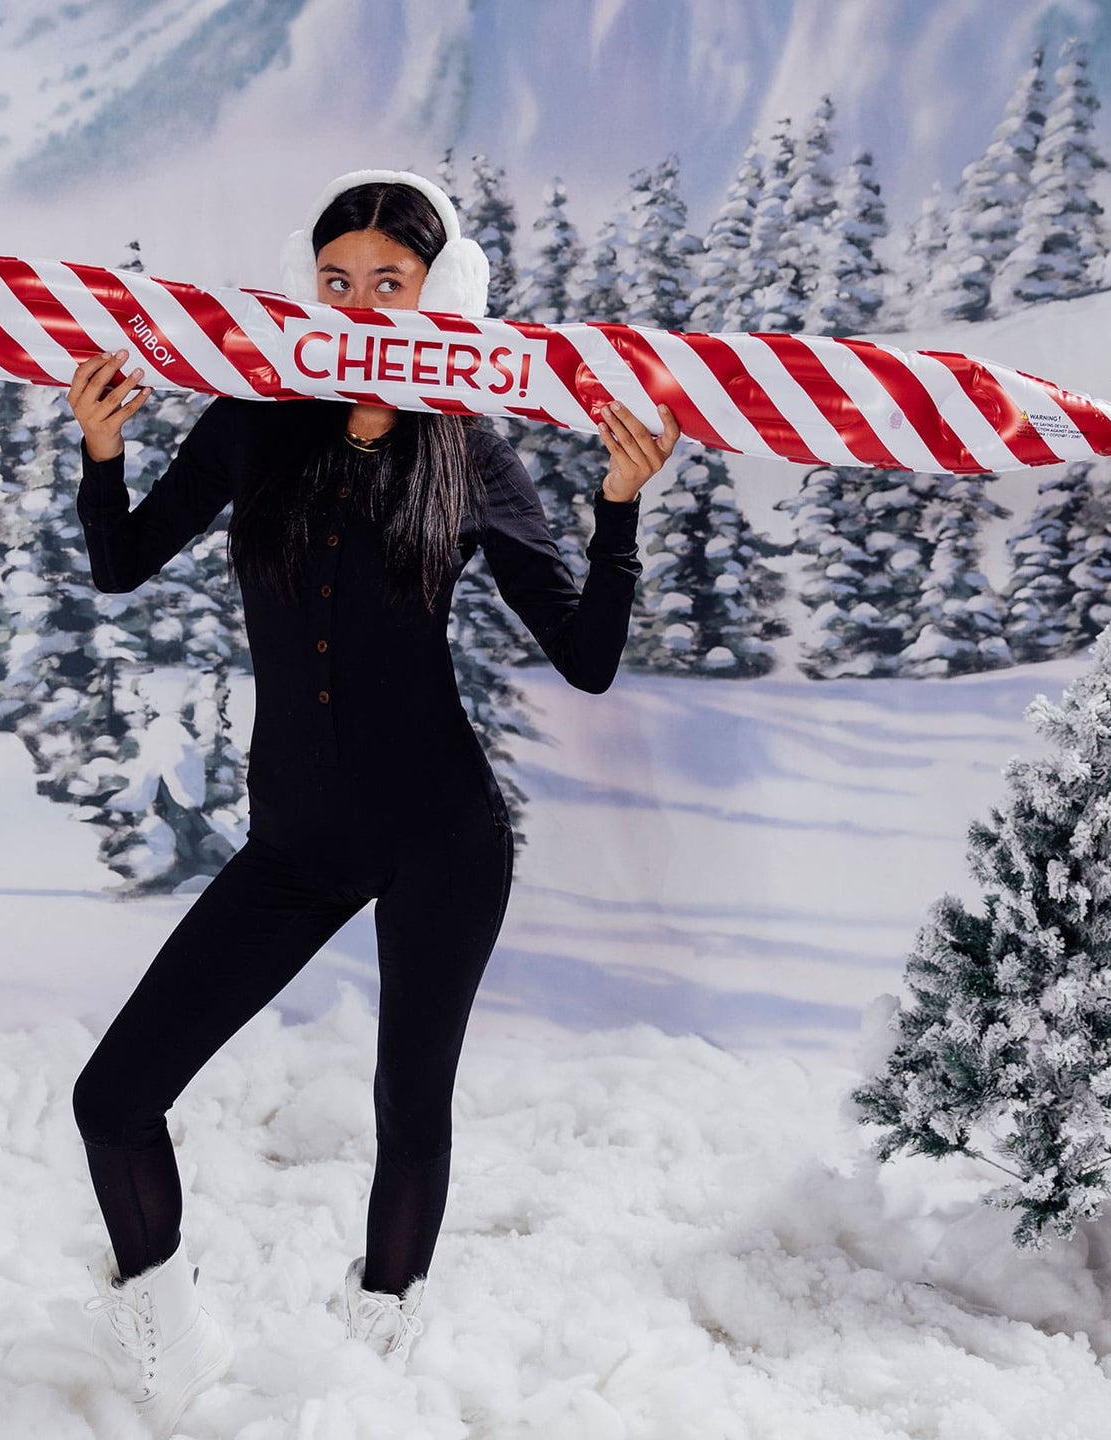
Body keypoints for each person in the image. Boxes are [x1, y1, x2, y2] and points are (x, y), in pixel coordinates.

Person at [66, 168, 681, 1432]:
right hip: (296, 839)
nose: (359, 304)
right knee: (114, 1097)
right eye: (337, 280)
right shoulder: (258, 420)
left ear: (439, 293)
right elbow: (124, 565)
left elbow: (587, 655)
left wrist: (618, 512)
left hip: (439, 836)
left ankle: (377, 1342)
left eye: (388, 283)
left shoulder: (470, 451)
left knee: (412, 1104)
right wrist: (103, 450)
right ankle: (169, 1337)